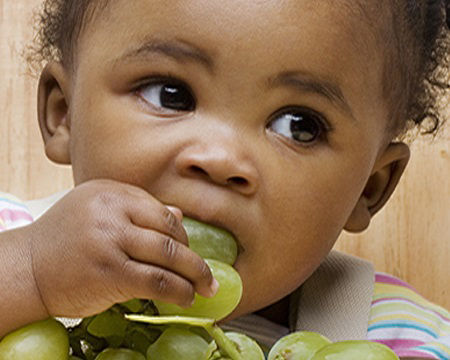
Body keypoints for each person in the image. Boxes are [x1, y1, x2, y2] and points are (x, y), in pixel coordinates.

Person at [1, 0, 449, 358]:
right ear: (64, 114)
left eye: (299, 125)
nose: (221, 160)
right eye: (170, 94)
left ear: (370, 187)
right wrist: (33, 274)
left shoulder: (400, 336)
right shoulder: (13, 240)